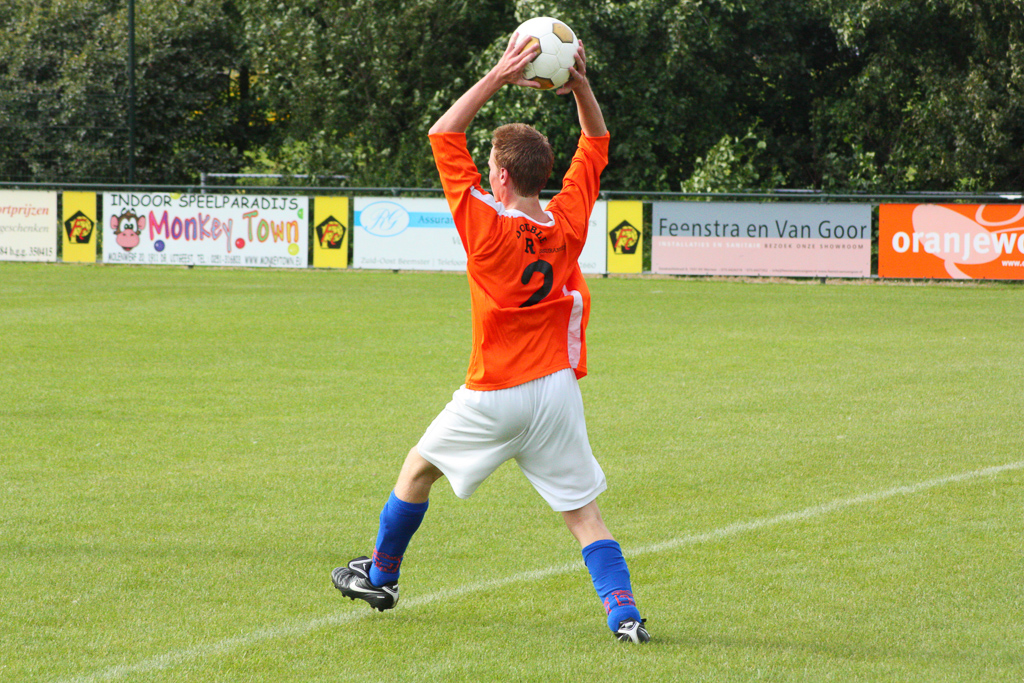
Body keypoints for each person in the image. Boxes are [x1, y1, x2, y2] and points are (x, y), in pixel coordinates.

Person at [332, 32, 649, 644]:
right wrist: (580, 86)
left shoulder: (483, 225)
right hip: (556, 391)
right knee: (584, 516)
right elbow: (596, 143)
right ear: (541, 175)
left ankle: (381, 575)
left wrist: (498, 76)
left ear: (500, 176)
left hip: (495, 392)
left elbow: (443, 133)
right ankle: (625, 616)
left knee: (416, 471)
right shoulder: (567, 222)